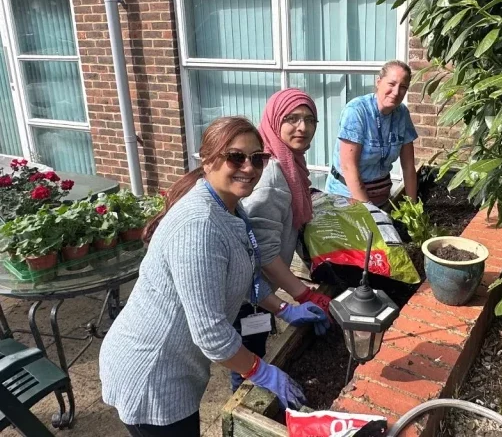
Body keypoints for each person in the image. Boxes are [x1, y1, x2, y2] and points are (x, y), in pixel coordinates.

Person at [99, 117, 329, 437]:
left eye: (257, 158)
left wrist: (285, 309)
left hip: (175, 367)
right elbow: (211, 335)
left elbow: (246, 275)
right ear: (207, 160)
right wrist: (263, 372)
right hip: (152, 373)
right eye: (235, 157)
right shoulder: (200, 226)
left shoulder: (230, 207)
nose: (248, 168)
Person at [232, 89, 332, 391]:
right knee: (249, 355)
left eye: (309, 120)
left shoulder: (289, 161)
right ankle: (242, 402)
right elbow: (263, 251)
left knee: (255, 340)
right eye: (292, 118)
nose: (302, 127)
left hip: (260, 292)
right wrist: (302, 295)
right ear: (275, 121)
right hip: (249, 295)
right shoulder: (272, 173)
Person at [325, 60, 418, 206]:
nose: (396, 92)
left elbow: (408, 167)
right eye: (391, 84)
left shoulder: (402, 114)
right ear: (379, 82)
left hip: (381, 196)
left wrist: (413, 208)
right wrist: (371, 211)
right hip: (346, 197)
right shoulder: (357, 111)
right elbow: (349, 167)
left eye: (403, 87)